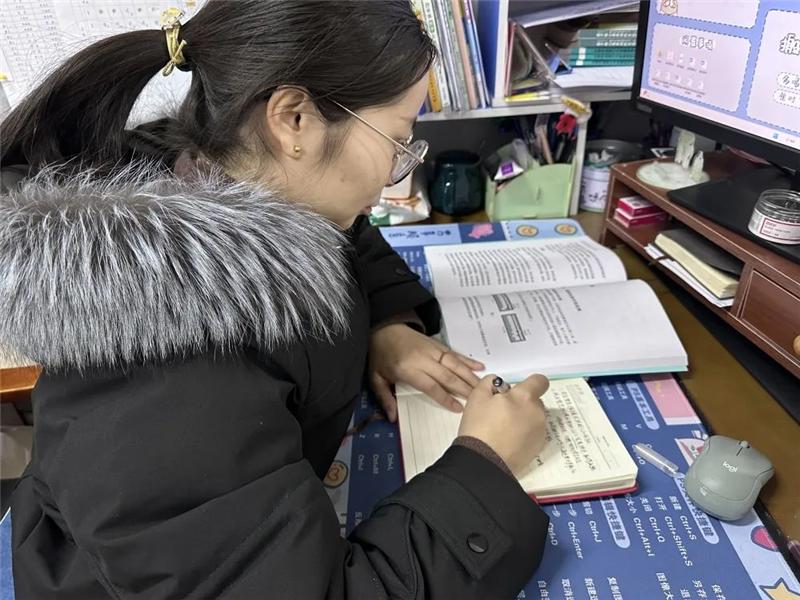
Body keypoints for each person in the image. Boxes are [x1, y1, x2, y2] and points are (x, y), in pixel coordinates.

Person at [0, 1, 551, 598]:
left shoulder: (212, 173)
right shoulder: (172, 359)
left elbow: (348, 236)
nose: (398, 169)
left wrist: (385, 324)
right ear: (293, 119)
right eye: (396, 140)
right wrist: (485, 464)